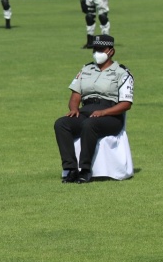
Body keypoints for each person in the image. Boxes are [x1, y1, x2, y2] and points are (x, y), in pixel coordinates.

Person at [54, 35, 133, 184]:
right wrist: (74, 108)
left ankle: (85, 170)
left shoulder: (122, 72)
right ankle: (70, 169)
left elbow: (126, 104)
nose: (97, 53)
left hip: (111, 115)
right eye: (95, 49)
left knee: (89, 124)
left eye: (101, 49)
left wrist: (104, 112)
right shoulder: (86, 69)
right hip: (86, 111)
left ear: (111, 51)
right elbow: (75, 95)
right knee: (61, 124)